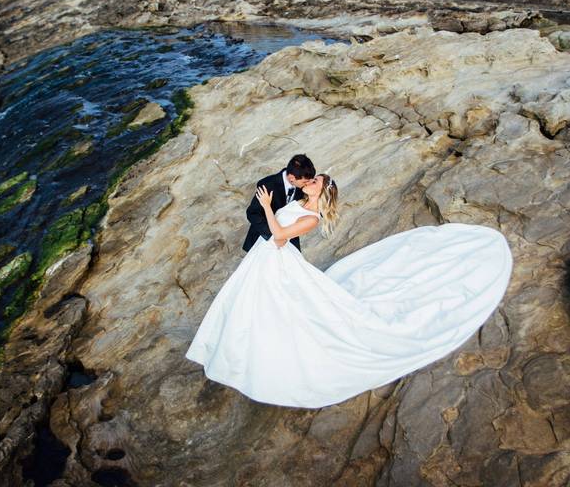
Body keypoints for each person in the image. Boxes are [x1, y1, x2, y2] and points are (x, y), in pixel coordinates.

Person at [185, 172, 514, 409]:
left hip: (276, 257)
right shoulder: (299, 200)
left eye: (317, 181)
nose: (311, 181)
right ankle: (236, 350)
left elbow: (281, 236)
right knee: (252, 303)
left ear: (322, 192)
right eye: (313, 179)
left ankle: (255, 356)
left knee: (272, 307)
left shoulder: (312, 217)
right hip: (266, 260)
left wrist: (268, 208)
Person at [242, 154, 316, 253]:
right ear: (292, 178)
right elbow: (252, 213)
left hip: (290, 242)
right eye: (304, 182)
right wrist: (273, 236)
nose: (307, 184)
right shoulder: (267, 184)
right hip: (264, 240)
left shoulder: (304, 188)